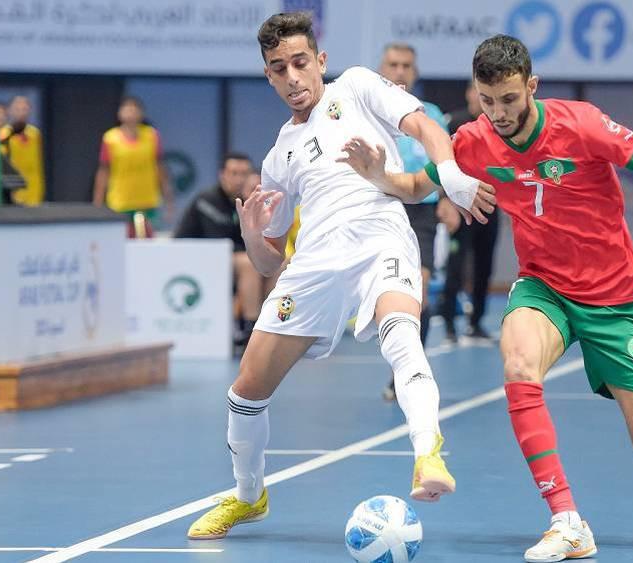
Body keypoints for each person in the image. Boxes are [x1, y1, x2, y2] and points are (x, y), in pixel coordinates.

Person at [338, 34, 633, 563]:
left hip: (614, 298)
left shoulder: (581, 124)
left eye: (510, 100)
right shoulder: (472, 140)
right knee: (518, 363)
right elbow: (415, 186)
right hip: (543, 286)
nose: (498, 113)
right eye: (488, 100)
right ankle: (566, 520)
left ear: (531, 87)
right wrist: (378, 175)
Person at [186, 12, 494, 541]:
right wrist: (253, 234)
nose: (292, 77)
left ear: (320, 61)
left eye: (300, 63)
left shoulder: (356, 86)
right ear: (268, 76)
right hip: (315, 261)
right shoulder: (278, 156)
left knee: (402, 332)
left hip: (380, 231)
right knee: (246, 390)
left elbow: (424, 126)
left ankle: (428, 454)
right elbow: (269, 264)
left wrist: (453, 178)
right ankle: (247, 495)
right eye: (278, 68)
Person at [378, 42, 454, 400]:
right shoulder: (364, 110)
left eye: (406, 65)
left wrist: (449, 199)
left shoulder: (432, 115)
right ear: (382, 68)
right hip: (379, 208)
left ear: (416, 71)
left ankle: (408, 375)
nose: (400, 71)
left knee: (417, 293)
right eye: (393, 64)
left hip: (420, 211)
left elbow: (448, 162)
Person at [175, 152, 271, 346]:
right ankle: (250, 330)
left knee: (277, 264)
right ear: (222, 175)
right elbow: (222, 242)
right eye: (234, 173)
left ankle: (272, 325)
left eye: (244, 173)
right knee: (249, 263)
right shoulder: (207, 200)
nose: (239, 179)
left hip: (225, 259)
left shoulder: (250, 201)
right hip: (193, 258)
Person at [439, 80, 499, 344]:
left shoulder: (499, 125)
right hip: (460, 206)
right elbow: (440, 162)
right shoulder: (455, 122)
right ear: (469, 94)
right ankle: (450, 323)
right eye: (476, 91)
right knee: (456, 264)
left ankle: (476, 323)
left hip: (490, 205)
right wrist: (446, 199)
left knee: (485, 265)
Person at [92, 96, 175, 237]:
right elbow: (104, 171)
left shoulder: (152, 135)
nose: (131, 113)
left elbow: (160, 168)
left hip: (147, 201)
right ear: (120, 113)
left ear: (141, 113)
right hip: (120, 202)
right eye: (127, 109)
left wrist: (168, 199)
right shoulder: (110, 138)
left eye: (134, 109)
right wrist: (97, 203)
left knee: (148, 242)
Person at [0, 95, 46, 206]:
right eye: (17, 109)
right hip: (15, 188)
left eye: (24, 109)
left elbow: (37, 164)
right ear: (9, 111)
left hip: (34, 189)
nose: (21, 113)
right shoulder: (3, 134)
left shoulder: (35, 133)